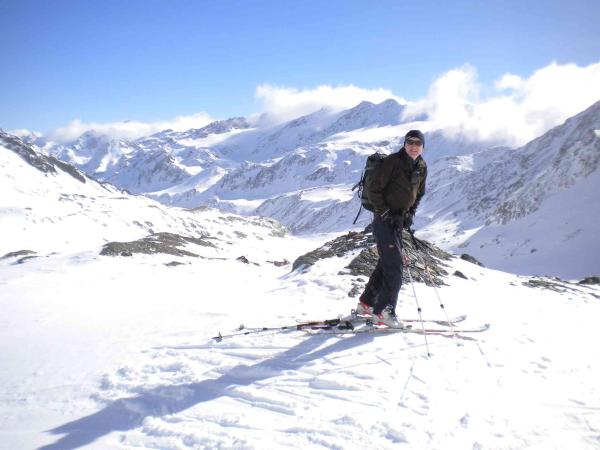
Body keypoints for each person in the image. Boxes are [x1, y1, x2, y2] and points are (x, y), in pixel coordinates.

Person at [355, 130, 427, 328]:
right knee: (395, 266)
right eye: (410, 142)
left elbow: (419, 193)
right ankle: (384, 312)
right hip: (384, 220)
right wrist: (386, 213)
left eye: (418, 143)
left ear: (422, 146)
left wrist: (409, 214)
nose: (413, 146)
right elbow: (374, 190)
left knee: (387, 262)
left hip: (399, 220)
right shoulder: (393, 162)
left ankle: (367, 303)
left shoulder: (421, 166)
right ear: (404, 144)